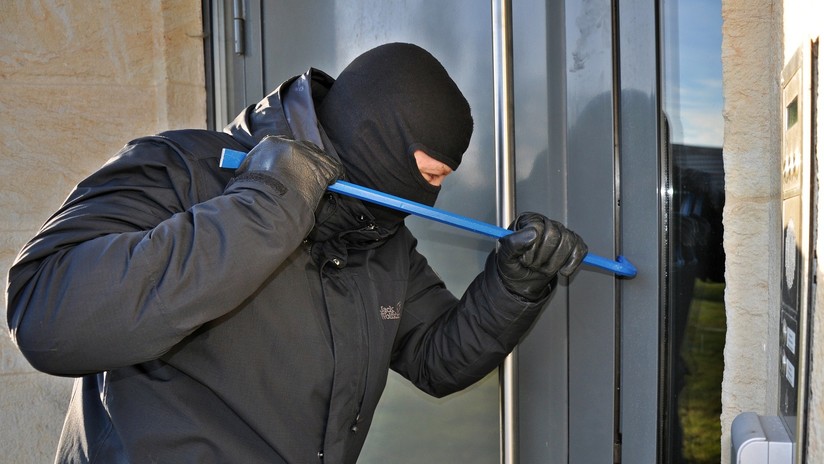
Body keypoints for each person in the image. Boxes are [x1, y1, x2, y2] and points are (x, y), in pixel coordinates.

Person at [6, 42, 587, 463]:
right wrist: (268, 206)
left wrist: (514, 284)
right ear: (374, 139)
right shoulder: (184, 169)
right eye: (426, 173)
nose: (429, 197)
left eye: (441, 181)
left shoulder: (379, 237)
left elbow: (435, 359)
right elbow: (45, 316)